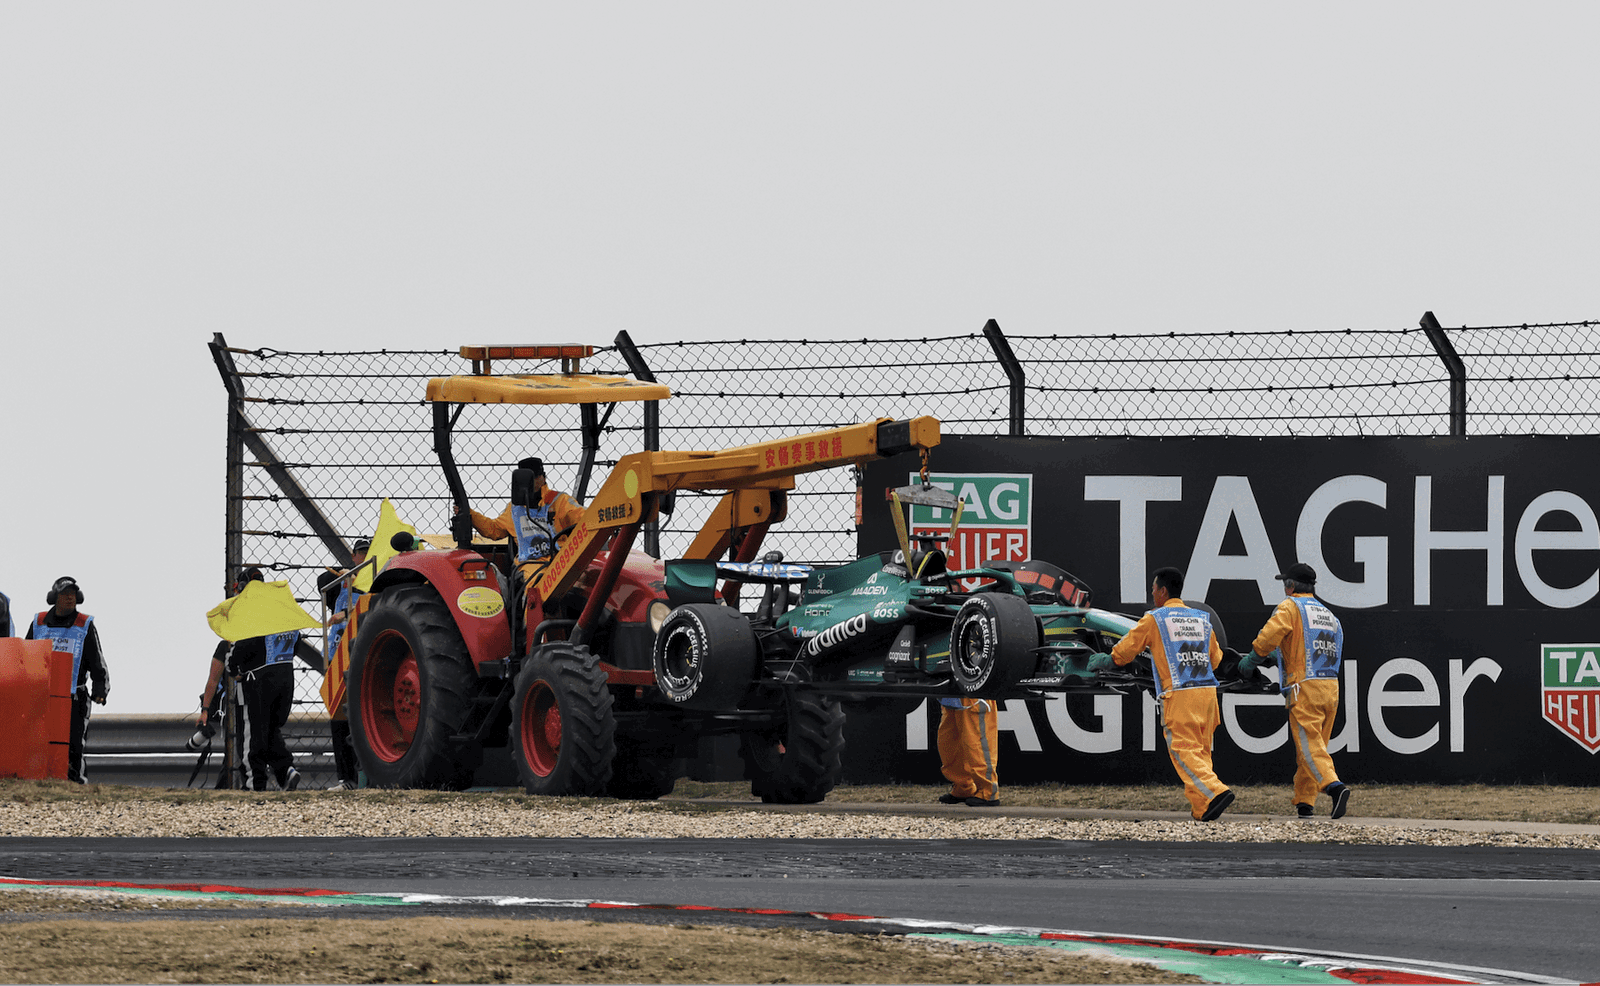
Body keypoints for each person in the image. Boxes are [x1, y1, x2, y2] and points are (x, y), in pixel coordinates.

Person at [1090, 566, 1233, 821]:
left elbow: (1128, 648)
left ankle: (1214, 791)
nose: (1152, 594)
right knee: (1200, 751)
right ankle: (1203, 808)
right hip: (1208, 693)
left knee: (1182, 749)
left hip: (1180, 694)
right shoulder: (1201, 618)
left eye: (1153, 589)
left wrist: (1108, 659)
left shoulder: (1155, 618)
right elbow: (1215, 658)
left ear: (1163, 591)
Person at [1241, 562, 1351, 821]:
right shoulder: (1328, 615)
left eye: (1284, 584)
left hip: (1305, 689)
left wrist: (1253, 658)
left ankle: (1334, 787)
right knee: (1315, 746)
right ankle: (1305, 801)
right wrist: (1280, 660)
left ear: (1290, 586)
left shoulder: (1290, 607)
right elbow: (1317, 649)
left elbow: (1270, 636)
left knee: (1309, 746)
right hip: (1330, 687)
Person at [216, 567, 302, 791]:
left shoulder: (249, 609)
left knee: (252, 732)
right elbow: (297, 642)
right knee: (271, 728)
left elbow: (241, 645)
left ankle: (255, 784)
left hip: (258, 678)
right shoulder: (280, 607)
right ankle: (286, 772)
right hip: (286, 676)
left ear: (242, 587)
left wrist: (233, 667)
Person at [25, 577, 109, 784]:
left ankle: (75, 783)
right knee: (39, 741)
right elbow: (26, 654)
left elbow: (96, 659)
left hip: (74, 696)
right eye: (65, 594)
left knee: (74, 743)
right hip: (42, 695)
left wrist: (100, 688)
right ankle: (42, 780)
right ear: (55, 597)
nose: (70, 598)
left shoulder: (84, 624)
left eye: (73, 594)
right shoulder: (39, 622)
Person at [465, 457, 584, 575]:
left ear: (543, 477)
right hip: (529, 563)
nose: (537, 481)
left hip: (563, 559)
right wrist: (470, 514)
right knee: (538, 581)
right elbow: (494, 530)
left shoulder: (560, 501)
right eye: (532, 478)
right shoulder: (514, 509)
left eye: (538, 476)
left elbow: (584, 518)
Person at [317, 538, 370, 790]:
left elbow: (369, 609)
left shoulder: (374, 583)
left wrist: (347, 612)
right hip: (336, 656)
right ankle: (345, 778)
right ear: (353, 556)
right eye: (360, 553)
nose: (362, 558)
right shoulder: (344, 584)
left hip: (358, 655)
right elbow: (322, 581)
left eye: (367, 554)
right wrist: (344, 577)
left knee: (359, 717)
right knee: (337, 719)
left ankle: (363, 776)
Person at [935, 697, 1001, 807]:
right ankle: (963, 787)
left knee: (976, 743)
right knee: (950, 742)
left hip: (973, 695)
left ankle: (987, 792)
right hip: (953, 693)